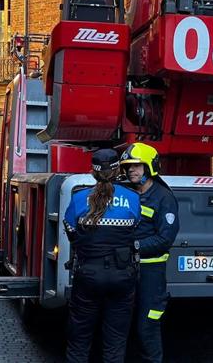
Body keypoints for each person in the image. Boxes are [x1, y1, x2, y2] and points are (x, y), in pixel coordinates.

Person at [64, 149, 141, 363]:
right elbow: (134, 229)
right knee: (115, 341)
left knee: (79, 339)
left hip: (88, 274)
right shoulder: (133, 198)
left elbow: (70, 231)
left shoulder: (79, 198)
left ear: (93, 172)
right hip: (122, 276)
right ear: (118, 170)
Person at [120, 142, 179, 363]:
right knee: (122, 325)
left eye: (137, 166)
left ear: (150, 167)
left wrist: (133, 246)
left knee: (147, 327)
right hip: (126, 269)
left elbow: (165, 239)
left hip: (151, 273)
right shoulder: (128, 194)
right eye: (128, 167)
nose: (131, 171)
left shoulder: (164, 197)